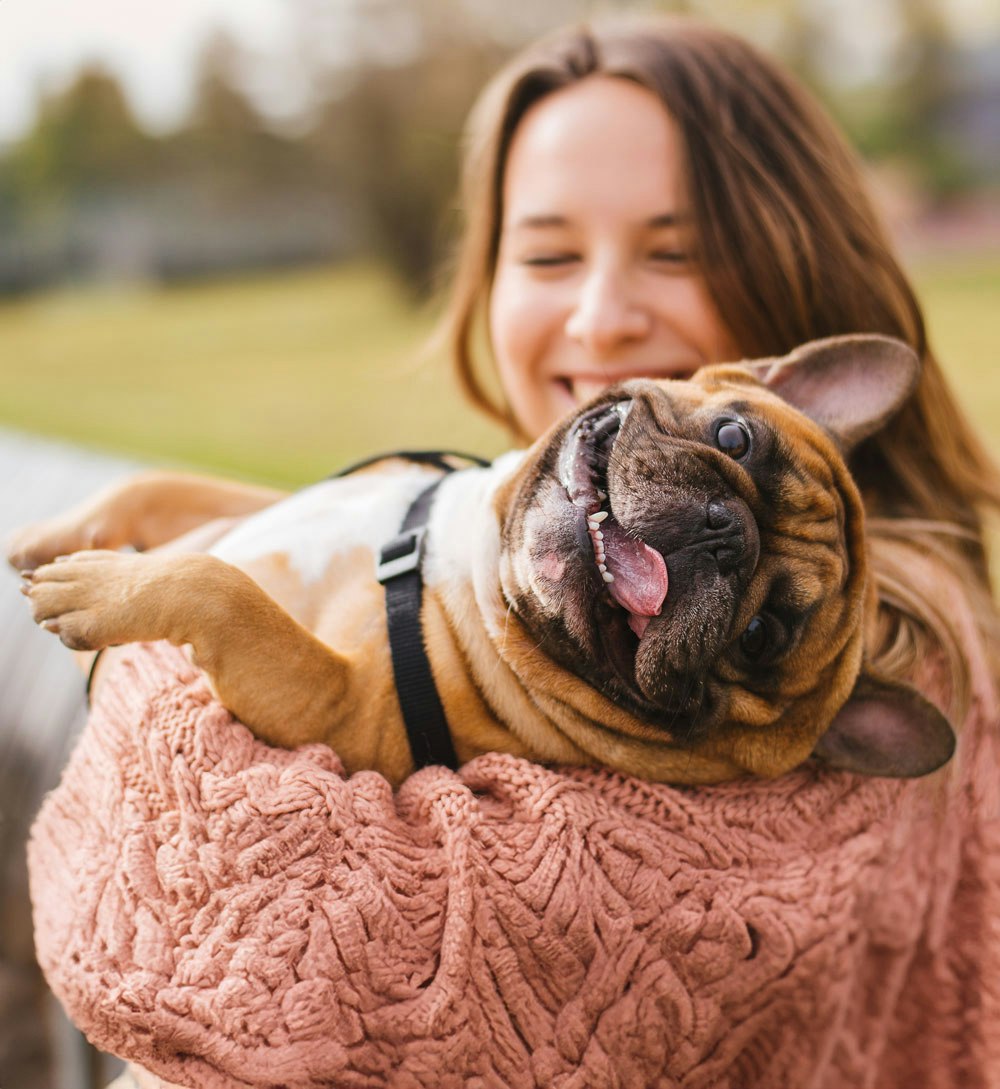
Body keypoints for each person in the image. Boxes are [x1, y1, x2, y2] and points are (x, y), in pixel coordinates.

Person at [26, 15, 1000, 1088]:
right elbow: (340, 543)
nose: (599, 315)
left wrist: (141, 654)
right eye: (546, 253)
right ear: (483, 276)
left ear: (795, 279)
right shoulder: (535, 541)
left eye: (673, 252)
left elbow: (262, 948)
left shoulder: (887, 649)